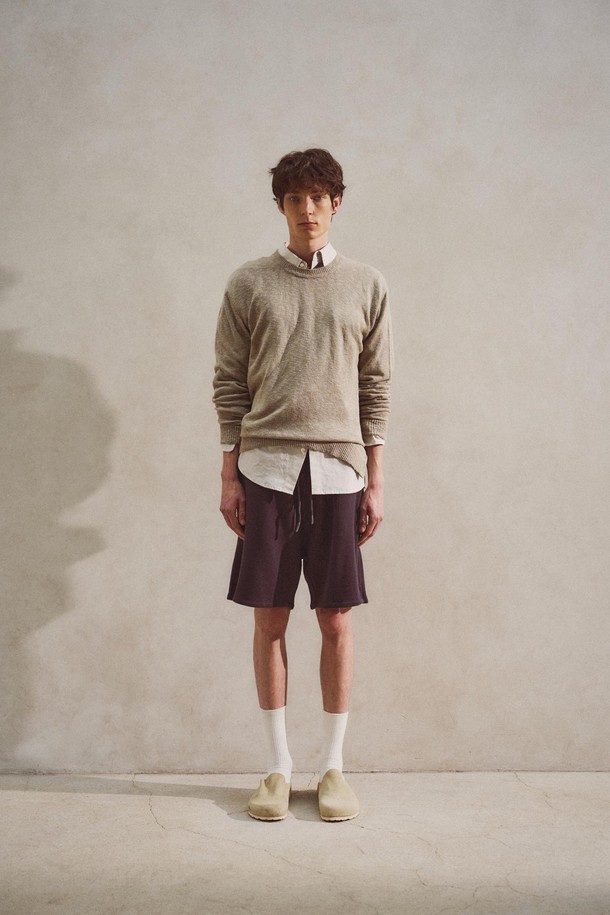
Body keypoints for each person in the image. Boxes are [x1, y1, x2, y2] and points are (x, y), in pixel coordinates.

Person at [213, 148, 392, 822]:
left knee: (336, 619)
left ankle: (334, 767)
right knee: (270, 617)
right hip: (266, 469)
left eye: (319, 197)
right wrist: (229, 473)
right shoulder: (249, 284)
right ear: (281, 206)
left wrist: (376, 479)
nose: (308, 210)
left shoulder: (367, 285)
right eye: (295, 199)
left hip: (340, 473)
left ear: (336, 203)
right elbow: (229, 382)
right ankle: (278, 768)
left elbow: (376, 386)